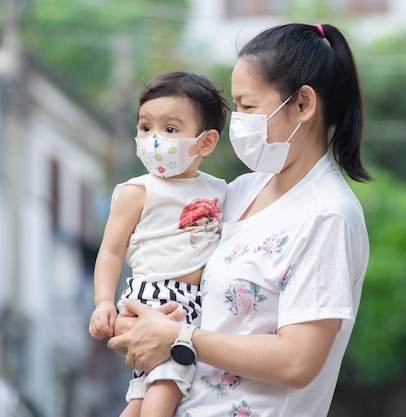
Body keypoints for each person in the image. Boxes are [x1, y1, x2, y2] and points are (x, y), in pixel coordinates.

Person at [109, 23, 371, 417]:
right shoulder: (242, 191)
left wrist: (179, 336)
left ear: (303, 104)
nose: (239, 120)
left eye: (249, 107)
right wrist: (145, 319)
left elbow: (297, 362)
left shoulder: (327, 214)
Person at [88, 70, 230, 417]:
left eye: (170, 129)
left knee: (140, 397)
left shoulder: (221, 191)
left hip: (194, 303)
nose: (153, 139)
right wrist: (104, 302)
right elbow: (110, 250)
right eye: (145, 127)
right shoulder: (138, 191)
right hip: (156, 297)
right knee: (166, 387)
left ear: (206, 142)